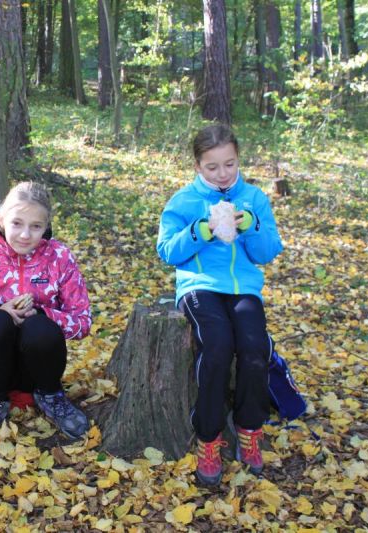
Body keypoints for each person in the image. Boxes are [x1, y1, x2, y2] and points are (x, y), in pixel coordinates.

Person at [156, 124, 283, 485]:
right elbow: (168, 252)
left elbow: (266, 252)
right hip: (199, 286)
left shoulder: (254, 198)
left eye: (229, 164)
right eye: (212, 167)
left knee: (255, 348)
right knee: (217, 346)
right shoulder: (182, 201)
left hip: (243, 287)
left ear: (238, 159)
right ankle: (208, 436)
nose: (222, 173)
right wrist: (201, 230)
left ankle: (249, 428)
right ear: (197, 166)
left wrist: (252, 226)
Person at [0, 182, 92, 443]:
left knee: (39, 327)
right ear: (0, 219)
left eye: (35, 226)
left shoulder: (59, 257)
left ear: (46, 226)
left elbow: (82, 322)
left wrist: (44, 314)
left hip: (38, 368)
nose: (25, 235)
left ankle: (51, 397)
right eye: (17, 223)